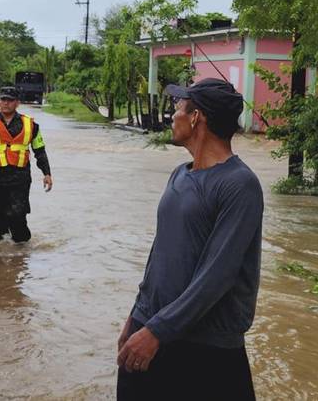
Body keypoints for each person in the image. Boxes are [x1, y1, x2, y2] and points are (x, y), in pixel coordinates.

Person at [116, 78, 263, 400]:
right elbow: (161, 254)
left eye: (179, 108)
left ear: (197, 117)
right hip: (151, 329)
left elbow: (218, 275)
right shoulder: (180, 174)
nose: (173, 116)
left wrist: (156, 331)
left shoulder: (239, 185)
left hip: (205, 346)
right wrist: (137, 315)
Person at [0, 87, 52, 242]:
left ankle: (22, 252)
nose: (5, 103)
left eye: (10, 100)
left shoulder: (31, 125)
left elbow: (40, 151)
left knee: (17, 214)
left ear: (17, 103)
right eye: (3, 100)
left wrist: (47, 173)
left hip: (20, 178)